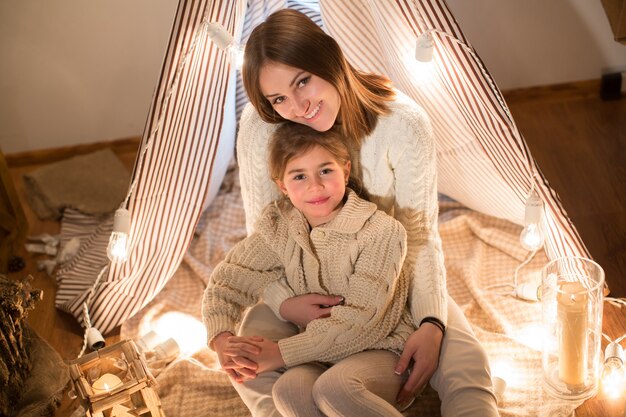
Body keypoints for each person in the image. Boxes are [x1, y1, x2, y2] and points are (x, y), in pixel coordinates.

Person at [228, 8, 499, 417]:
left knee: (464, 365)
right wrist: (286, 304)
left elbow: (421, 237)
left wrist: (431, 324)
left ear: (330, 59)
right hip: (305, 286)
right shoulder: (260, 128)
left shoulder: (403, 124)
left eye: (303, 81)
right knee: (249, 359)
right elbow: (262, 235)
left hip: (392, 284)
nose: (298, 106)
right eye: (279, 98)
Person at [203, 123, 415, 416]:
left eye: (325, 171)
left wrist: (280, 353)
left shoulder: (380, 231)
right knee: (287, 390)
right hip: (318, 354)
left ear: (345, 169)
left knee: (335, 389)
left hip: (382, 349)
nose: (315, 186)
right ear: (283, 186)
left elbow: (362, 321)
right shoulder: (279, 227)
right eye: (299, 176)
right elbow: (228, 282)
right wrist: (222, 339)